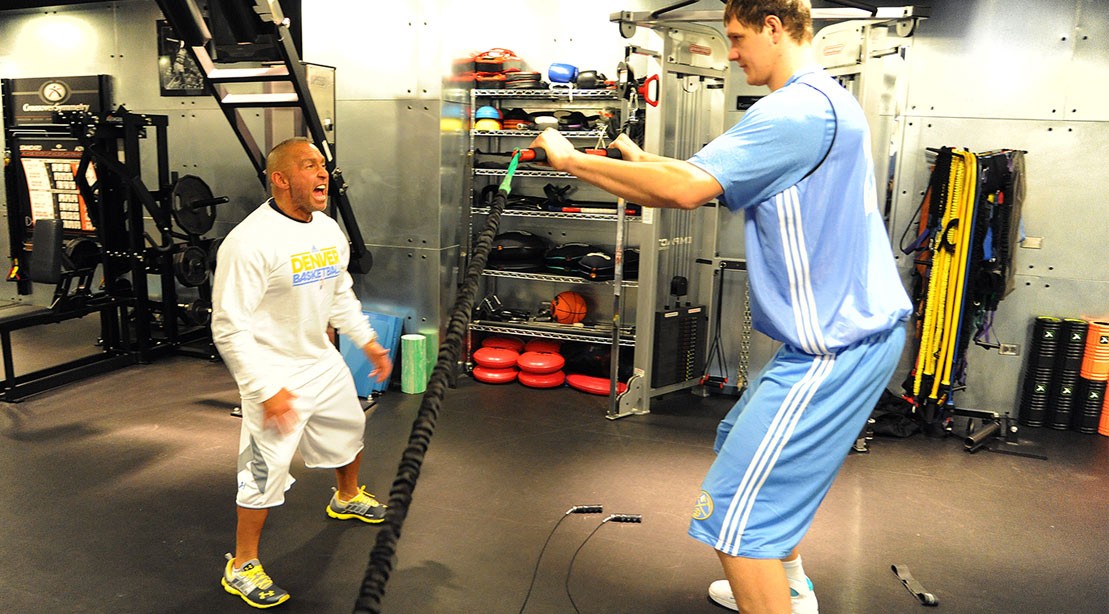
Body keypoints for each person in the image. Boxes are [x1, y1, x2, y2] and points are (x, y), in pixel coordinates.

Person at [530, 1, 911, 612]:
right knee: (743, 442)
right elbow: (701, 173)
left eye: (737, 38)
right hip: (841, 334)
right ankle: (787, 586)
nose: (731, 53)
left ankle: (776, 591)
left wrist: (572, 161)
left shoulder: (794, 111)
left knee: (737, 517)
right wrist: (635, 157)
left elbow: (686, 190)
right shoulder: (825, 100)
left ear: (773, 27)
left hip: (835, 346)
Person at [211, 137, 393, 609]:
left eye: (323, 166)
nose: (322, 175)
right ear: (280, 178)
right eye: (309, 166)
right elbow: (228, 329)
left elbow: (339, 294)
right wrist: (264, 391)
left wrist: (367, 340)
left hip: (320, 361)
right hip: (272, 370)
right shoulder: (249, 243)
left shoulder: (328, 230)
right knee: (263, 471)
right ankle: (243, 565)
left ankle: (346, 495)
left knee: (349, 429)